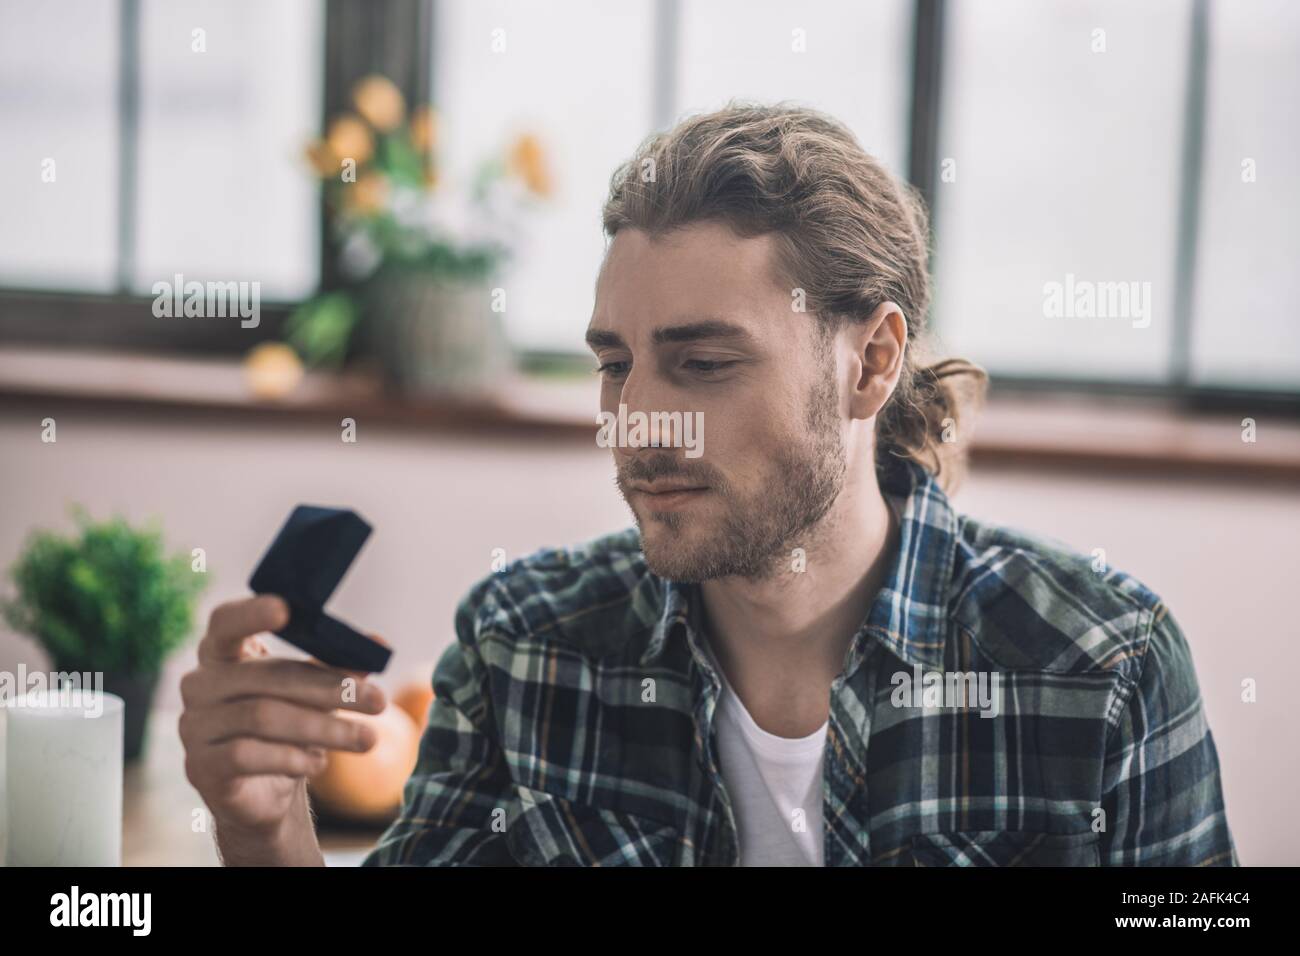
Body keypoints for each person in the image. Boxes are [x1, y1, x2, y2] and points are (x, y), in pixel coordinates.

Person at [180, 102, 1237, 866]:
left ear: (870, 362)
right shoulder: (523, 647)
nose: (633, 418)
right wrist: (264, 827)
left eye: (704, 363)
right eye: (613, 363)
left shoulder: (1104, 669)